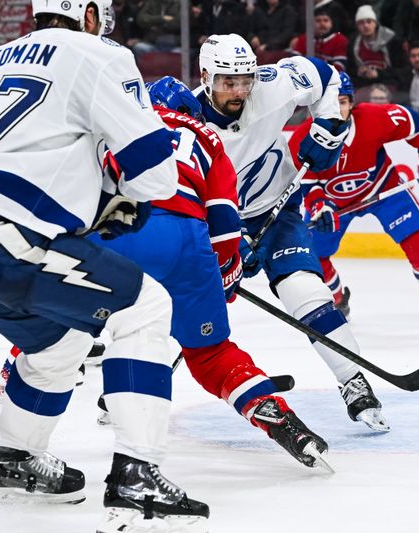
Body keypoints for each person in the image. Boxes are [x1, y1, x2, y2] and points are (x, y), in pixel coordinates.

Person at [0, 0, 209, 529]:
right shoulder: (97, 54)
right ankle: (137, 474)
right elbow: (156, 173)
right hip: (14, 235)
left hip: (8, 238)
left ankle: (10, 456)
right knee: (145, 308)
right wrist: (120, 194)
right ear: (88, 13)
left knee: (61, 339)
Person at [90, 76, 330, 471]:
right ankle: (283, 422)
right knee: (210, 352)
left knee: (62, 325)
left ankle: (10, 399)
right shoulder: (209, 138)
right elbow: (223, 218)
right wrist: (227, 268)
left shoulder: (124, 126)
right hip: (186, 241)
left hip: (121, 232)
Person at [194, 34, 389, 432]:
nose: (239, 91)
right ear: (205, 76)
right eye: (227, 82)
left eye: (244, 80)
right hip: (213, 224)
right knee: (184, 307)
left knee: (306, 291)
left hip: (277, 211)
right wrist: (224, 243)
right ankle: (130, 388)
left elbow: (325, 75)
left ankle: (353, 381)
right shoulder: (184, 120)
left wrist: (329, 123)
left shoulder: (271, 85)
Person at [288, 72, 419, 321]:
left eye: (343, 101)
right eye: (329, 103)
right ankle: (337, 302)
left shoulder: (374, 119)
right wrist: (319, 207)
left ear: (352, 103)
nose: (337, 109)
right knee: (315, 255)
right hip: (333, 202)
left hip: (382, 187)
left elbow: (413, 123)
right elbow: (308, 183)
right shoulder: (301, 140)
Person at [347, 5, 406, 89]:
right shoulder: (354, 44)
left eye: (369, 22)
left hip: (391, 85)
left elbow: (402, 71)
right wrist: (358, 71)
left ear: (375, 23)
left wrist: (379, 73)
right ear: (357, 26)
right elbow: (350, 69)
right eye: (361, 23)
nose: (366, 26)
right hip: (364, 86)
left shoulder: (392, 41)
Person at [289, 6, 348, 71]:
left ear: (331, 23)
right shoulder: (304, 38)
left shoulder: (340, 39)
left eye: (326, 20)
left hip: (330, 78)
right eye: (318, 20)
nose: (322, 24)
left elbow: (340, 65)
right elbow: (293, 61)